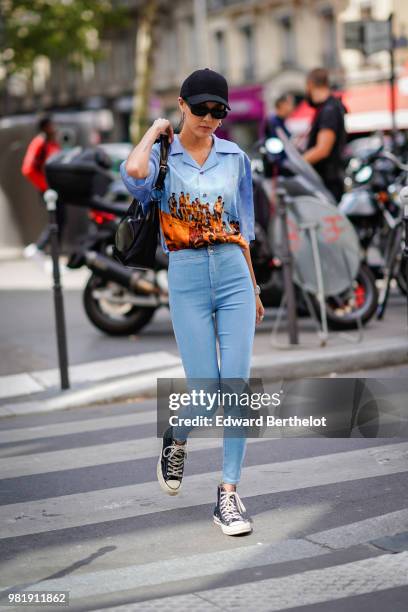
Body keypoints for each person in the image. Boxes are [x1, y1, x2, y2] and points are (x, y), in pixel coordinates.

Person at [120, 68, 264, 536]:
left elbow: (244, 229)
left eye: (218, 111)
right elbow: (133, 175)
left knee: (237, 388)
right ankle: (176, 436)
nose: (209, 118)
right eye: (200, 108)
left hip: (233, 275)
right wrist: (154, 131)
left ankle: (228, 494)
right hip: (186, 276)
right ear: (182, 104)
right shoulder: (163, 154)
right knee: (205, 393)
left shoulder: (235, 157)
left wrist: (255, 286)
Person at [21, 114, 63, 262]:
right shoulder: (39, 143)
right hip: (50, 192)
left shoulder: (52, 142)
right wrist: (46, 187)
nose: (54, 127)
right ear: (45, 127)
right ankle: (39, 249)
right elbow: (28, 169)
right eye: (51, 124)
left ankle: (52, 255)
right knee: (55, 221)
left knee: (60, 221)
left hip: (58, 190)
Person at [303, 68, 347, 203]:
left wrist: (298, 163)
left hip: (328, 182)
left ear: (310, 84)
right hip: (328, 180)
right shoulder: (329, 107)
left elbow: (322, 150)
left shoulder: (329, 110)